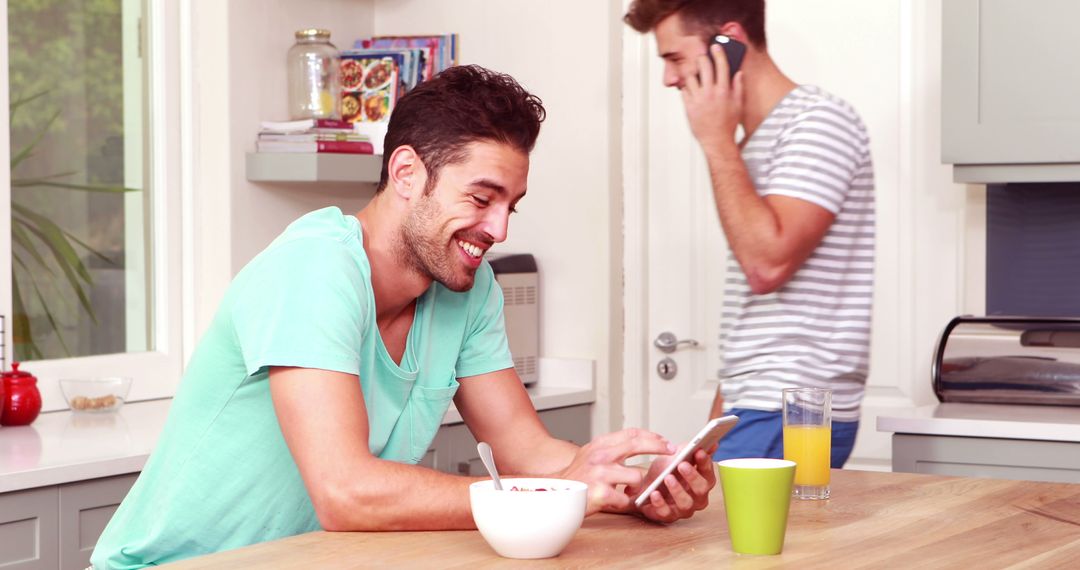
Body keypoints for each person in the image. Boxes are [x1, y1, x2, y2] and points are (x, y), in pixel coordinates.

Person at [91, 65, 716, 568]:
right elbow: (346, 492)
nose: (497, 229)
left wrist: (635, 490)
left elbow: (531, 454)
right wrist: (559, 495)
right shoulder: (314, 270)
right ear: (408, 172)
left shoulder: (470, 292)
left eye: (511, 206)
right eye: (481, 197)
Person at [624, 0, 875, 467]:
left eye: (675, 58)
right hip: (758, 405)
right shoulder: (754, 144)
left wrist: (715, 139)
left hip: (790, 407)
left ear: (731, 43)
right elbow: (758, 310)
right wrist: (714, 430)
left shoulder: (819, 123)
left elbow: (767, 265)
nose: (669, 79)